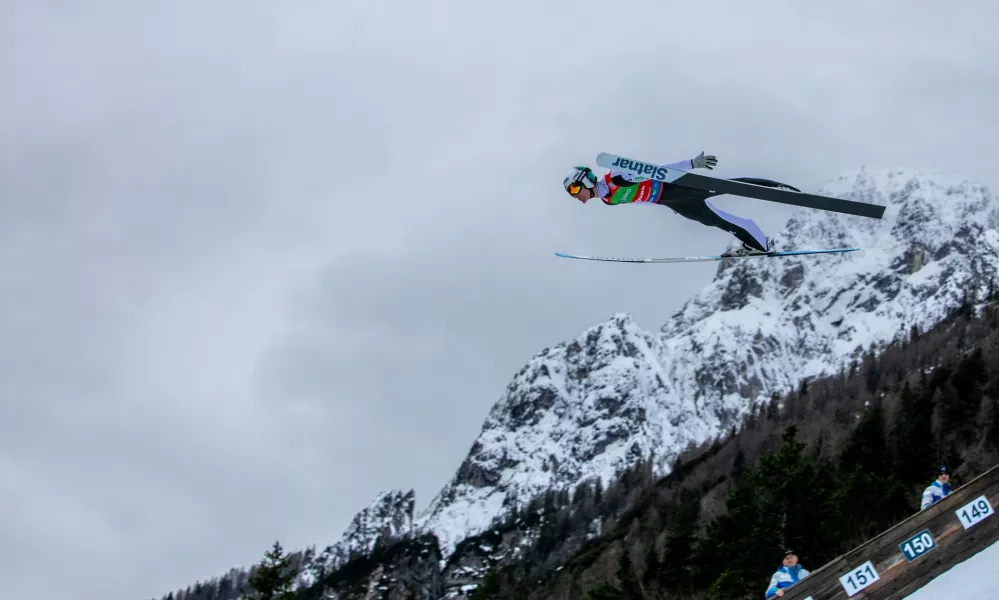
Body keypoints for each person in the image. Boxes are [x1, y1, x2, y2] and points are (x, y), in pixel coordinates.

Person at [563, 152, 787, 257]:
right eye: (571, 194)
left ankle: (775, 187)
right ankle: (761, 244)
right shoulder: (608, 199)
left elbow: (658, 171)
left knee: (726, 186)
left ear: (585, 179)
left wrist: (691, 164)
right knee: (715, 221)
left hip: (675, 188)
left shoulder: (616, 177)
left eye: (574, 189)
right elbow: (639, 199)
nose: (575, 196)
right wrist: (668, 205)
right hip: (670, 201)